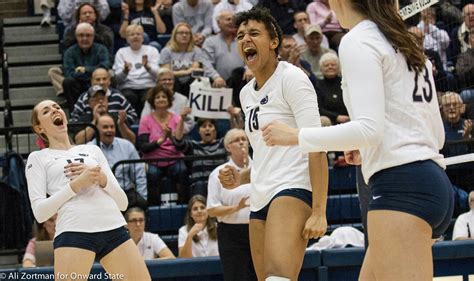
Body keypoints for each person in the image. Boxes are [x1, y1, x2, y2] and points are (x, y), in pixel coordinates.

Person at [260, 1, 455, 280]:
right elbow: (434, 132)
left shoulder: (358, 40)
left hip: (401, 188)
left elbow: (368, 130)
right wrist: (366, 148)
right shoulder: (403, 41)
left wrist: (295, 136)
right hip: (432, 183)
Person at [218, 7, 328, 281]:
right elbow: (267, 154)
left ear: (274, 41)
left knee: (279, 277)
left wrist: (319, 212)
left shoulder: (292, 79)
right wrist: (240, 177)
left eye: (254, 33)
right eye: (241, 35)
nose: (245, 40)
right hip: (260, 194)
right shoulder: (245, 94)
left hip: (292, 187)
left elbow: (317, 144)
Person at [26, 100, 151, 280]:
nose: (54, 110)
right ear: (39, 128)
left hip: (114, 228)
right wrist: (75, 186)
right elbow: (40, 213)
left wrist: (101, 179)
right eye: (46, 111)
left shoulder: (92, 150)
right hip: (74, 231)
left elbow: (123, 203)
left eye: (57, 107)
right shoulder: (38, 158)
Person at [207, 129, 257, 281]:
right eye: (237, 140)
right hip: (231, 234)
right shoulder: (218, 174)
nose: (242, 142)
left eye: (244, 138)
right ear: (228, 147)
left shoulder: (261, 168)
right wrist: (236, 208)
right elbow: (212, 210)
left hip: (259, 228)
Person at [138, 85, 189, 205]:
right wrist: (160, 141)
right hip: (153, 160)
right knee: (152, 175)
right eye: (158, 97)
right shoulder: (145, 120)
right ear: (153, 101)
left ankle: (184, 206)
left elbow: (180, 145)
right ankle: (153, 209)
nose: (161, 99)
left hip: (174, 159)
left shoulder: (176, 118)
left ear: (169, 101)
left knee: (182, 171)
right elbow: (143, 147)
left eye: (164, 97)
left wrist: (170, 136)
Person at [89, 114, 148, 208]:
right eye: (105, 127)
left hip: (126, 192)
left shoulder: (127, 146)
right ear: (97, 129)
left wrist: (143, 197)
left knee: (141, 205)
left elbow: (139, 175)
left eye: (112, 127)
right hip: (101, 194)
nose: (109, 130)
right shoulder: (89, 149)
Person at [62, 23, 111, 111]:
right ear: (76, 37)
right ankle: (74, 114)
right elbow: (69, 73)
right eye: (81, 35)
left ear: (93, 36)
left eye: (88, 35)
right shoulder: (69, 52)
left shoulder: (101, 49)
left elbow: (105, 66)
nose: (85, 38)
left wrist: (85, 70)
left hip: (98, 83)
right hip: (78, 85)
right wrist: (91, 73)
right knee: (67, 82)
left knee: (109, 78)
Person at [113, 24, 160, 116]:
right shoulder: (121, 52)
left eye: (138, 34)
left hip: (148, 85)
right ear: (127, 39)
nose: (135, 36)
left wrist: (147, 67)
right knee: (128, 96)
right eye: (132, 34)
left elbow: (158, 75)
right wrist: (125, 71)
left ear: (143, 37)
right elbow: (117, 80)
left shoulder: (152, 50)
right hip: (128, 86)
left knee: (149, 97)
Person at [140, 68, 196, 133]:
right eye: (164, 79)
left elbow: (190, 122)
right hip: (155, 135)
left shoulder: (183, 99)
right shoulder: (151, 99)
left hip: (177, 136)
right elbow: (144, 119)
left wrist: (178, 132)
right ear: (158, 82)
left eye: (170, 79)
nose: (167, 82)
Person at [159, 22, 205, 97]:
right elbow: (166, 73)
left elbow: (194, 70)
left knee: (196, 79)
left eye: (187, 33)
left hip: (190, 82)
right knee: (169, 80)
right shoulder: (166, 51)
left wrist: (179, 72)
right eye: (181, 33)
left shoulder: (197, 51)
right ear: (175, 35)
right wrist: (187, 71)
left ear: (191, 36)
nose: (184, 35)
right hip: (174, 82)